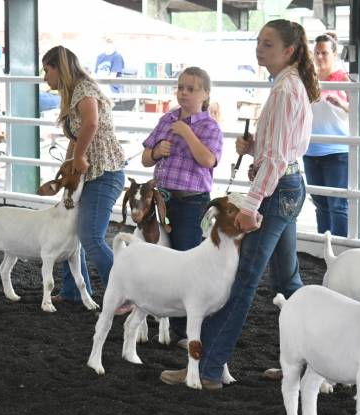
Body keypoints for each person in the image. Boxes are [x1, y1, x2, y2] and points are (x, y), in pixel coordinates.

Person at [159, 19, 320, 390]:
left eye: (267, 44)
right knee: (288, 280)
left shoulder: (283, 90)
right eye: (259, 43)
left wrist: (251, 203)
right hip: (289, 185)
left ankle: (209, 366)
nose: (259, 49)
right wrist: (255, 150)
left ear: (288, 51)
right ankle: (314, 361)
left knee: (243, 279)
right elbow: (281, 152)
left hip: (277, 190)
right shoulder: (290, 86)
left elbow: (278, 157)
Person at [141, 66, 223, 343]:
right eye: (180, 87)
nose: (184, 93)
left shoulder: (210, 126)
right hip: (162, 201)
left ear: (205, 94)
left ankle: (184, 329)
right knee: (158, 257)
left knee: (186, 261)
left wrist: (186, 133)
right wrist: (155, 151)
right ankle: (157, 316)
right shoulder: (166, 119)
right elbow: (145, 158)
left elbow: (208, 160)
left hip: (191, 203)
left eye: (191, 88)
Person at [41, 45, 126, 305]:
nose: (45, 77)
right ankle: (74, 291)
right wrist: (67, 168)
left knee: (90, 236)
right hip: (90, 174)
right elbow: (79, 135)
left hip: (104, 172)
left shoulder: (83, 90)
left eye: (47, 70)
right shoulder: (76, 92)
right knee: (73, 231)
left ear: (59, 69)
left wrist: (77, 158)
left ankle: (125, 294)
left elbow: (91, 123)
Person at [303, 32, 350, 236]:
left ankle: (340, 250)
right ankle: (324, 247)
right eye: (317, 53)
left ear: (334, 54)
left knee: (337, 204)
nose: (320, 57)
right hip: (311, 149)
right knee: (320, 203)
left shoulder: (343, 78)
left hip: (336, 150)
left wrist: (342, 103)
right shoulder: (309, 80)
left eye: (324, 53)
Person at [94, 37, 131, 111]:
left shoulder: (117, 56)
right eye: (106, 44)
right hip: (99, 85)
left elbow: (112, 76)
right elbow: (95, 74)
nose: (108, 46)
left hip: (110, 87)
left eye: (110, 44)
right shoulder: (100, 57)